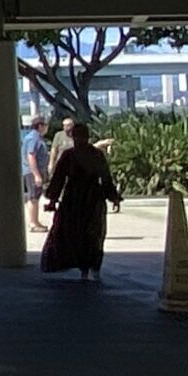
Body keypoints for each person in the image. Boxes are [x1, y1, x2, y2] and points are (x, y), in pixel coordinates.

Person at [39, 118, 120, 279]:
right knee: (91, 234)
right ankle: (89, 267)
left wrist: (53, 200)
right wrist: (113, 197)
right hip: (90, 198)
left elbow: (58, 179)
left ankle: (85, 267)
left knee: (78, 232)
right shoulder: (94, 155)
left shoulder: (70, 155)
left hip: (76, 198)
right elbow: (105, 179)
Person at [22, 114, 51, 234]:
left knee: (36, 197)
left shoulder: (37, 138)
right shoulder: (33, 138)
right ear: (40, 126)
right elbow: (31, 156)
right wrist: (36, 175)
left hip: (36, 171)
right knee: (33, 198)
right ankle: (33, 223)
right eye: (45, 125)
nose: (47, 127)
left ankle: (36, 221)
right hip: (32, 172)